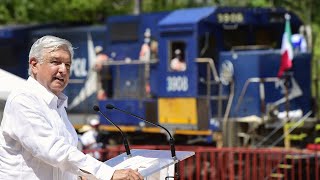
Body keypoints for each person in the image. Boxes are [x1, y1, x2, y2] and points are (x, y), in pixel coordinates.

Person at [0, 35, 143, 180]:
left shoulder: (57, 105)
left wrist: (81, 176)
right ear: (34, 65)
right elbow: (54, 150)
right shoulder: (23, 100)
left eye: (68, 65)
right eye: (56, 62)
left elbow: (63, 163)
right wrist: (107, 173)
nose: (63, 70)